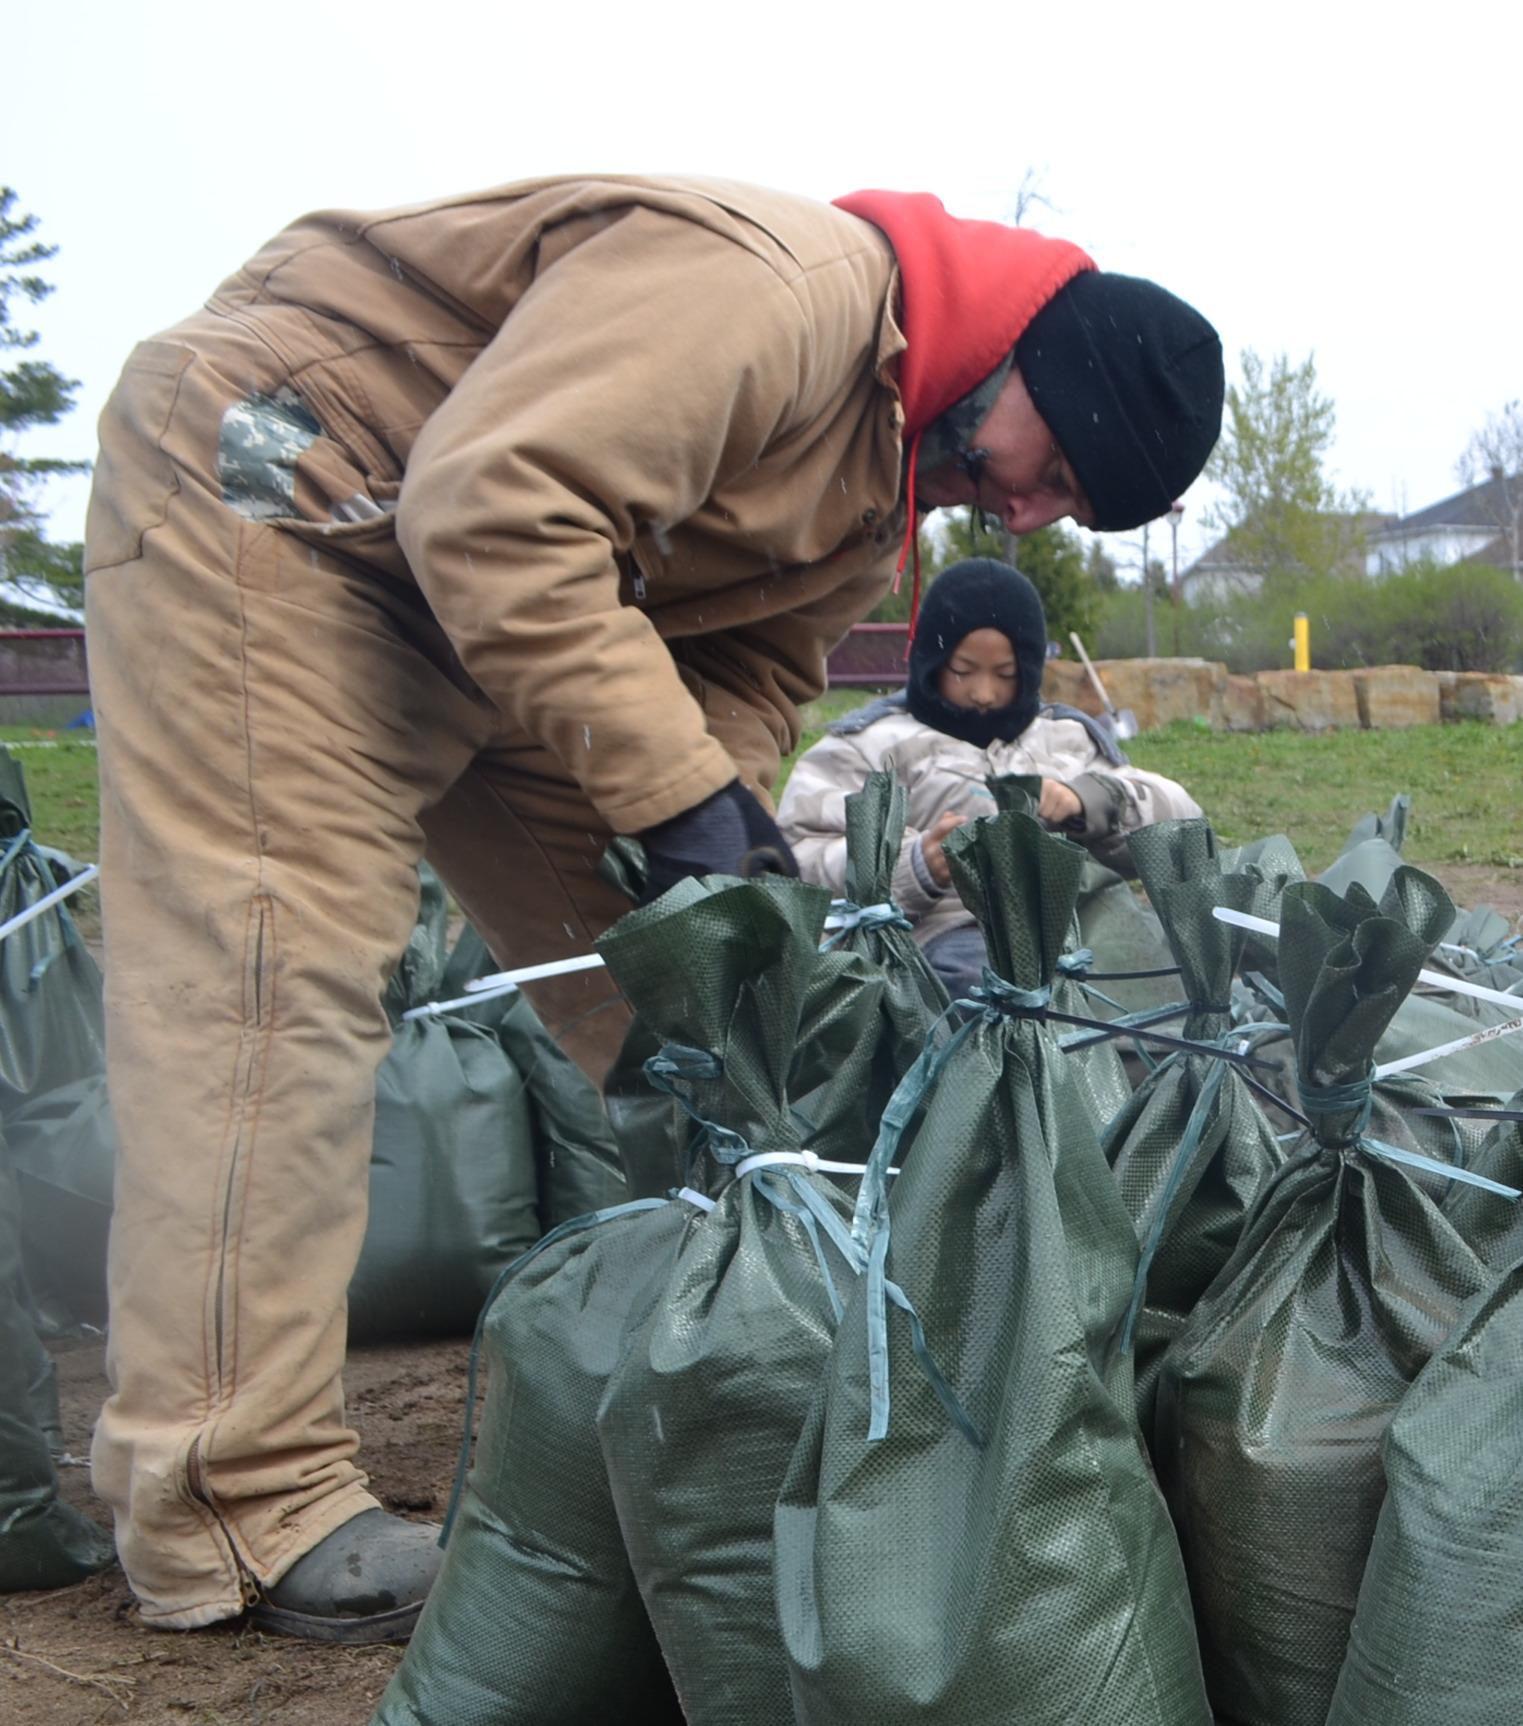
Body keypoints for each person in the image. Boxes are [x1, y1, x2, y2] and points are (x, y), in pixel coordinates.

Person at [80, 178, 1222, 1642]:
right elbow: (494, 499)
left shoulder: (879, 489)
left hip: (492, 596)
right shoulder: (784, 293)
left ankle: (779, 1347)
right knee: (274, 976)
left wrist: (725, 839)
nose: (1029, 509)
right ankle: (232, 1496)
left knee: (694, 997)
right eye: (1051, 466)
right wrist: (678, 799)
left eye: (1063, 503)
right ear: (1027, 369)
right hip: (289, 489)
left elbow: (743, 676)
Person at [781, 555, 1200, 994]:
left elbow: (1184, 829)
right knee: (995, 992)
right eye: (962, 671)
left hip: (1085, 927)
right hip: (948, 936)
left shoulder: (1066, 736)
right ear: (930, 660)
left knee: (1169, 980)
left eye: (1006, 675)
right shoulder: (868, 745)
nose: (983, 693)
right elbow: (798, 858)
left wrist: (1093, 801)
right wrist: (915, 865)